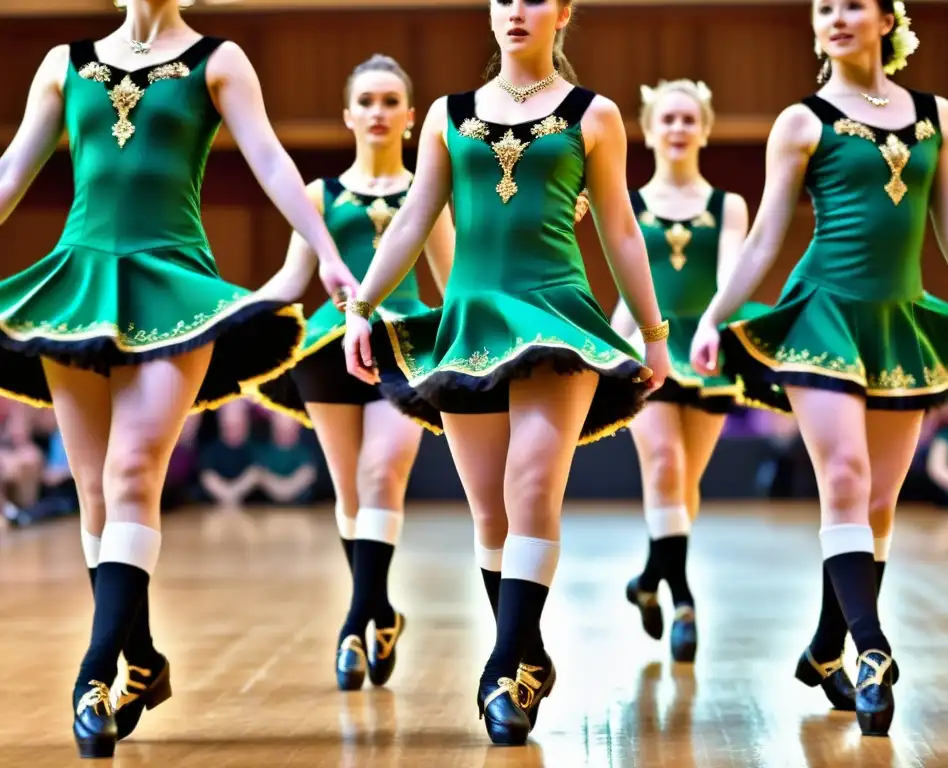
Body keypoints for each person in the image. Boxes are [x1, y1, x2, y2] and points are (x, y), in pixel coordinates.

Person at [0, 0, 359, 757]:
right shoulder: (65, 65)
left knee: (134, 472)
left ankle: (94, 676)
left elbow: (269, 159)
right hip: (79, 284)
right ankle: (144, 659)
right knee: (96, 490)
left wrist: (324, 248)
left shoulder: (218, 61)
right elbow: (13, 168)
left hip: (177, 287)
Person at [689, 0, 948, 737]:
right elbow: (764, 239)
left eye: (852, 5)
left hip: (898, 321)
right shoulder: (801, 122)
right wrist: (714, 315)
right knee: (844, 478)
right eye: (823, 8)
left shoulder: (937, 115)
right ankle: (872, 652)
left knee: (876, 506)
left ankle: (826, 645)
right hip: (823, 315)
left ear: (886, 19)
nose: (836, 17)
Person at [342, 0, 669, 746]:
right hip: (470, 328)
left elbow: (619, 226)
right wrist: (361, 305)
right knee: (490, 513)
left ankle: (501, 671)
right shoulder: (448, 116)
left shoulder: (596, 115)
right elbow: (417, 214)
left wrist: (653, 334)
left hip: (558, 320)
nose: (515, 10)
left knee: (530, 488)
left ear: (562, 13)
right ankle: (527, 651)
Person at [252, 54, 454, 692]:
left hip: (405, 346)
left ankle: (356, 620)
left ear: (410, 116)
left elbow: (450, 285)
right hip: (328, 347)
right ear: (348, 114)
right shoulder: (319, 195)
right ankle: (382, 610)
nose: (378, 111)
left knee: (381, 472)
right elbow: (291, 281)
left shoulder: (429, 192)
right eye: (366, 100)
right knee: (348, 491)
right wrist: (224, 318)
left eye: (391, 101)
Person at [608, 78, 763, 663]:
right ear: (648, 131)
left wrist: (716, 325)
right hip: (650, 348)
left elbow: (730, 278)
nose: (677, 128)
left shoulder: (729, 206)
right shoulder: (631, 205)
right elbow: (629, 292)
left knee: (684, 484)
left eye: (687, 118)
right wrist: (610, 347)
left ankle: (648, 579)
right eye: (666, 119)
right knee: (666, 463)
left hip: (705, 349)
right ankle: (684, 601)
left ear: (704, 127)